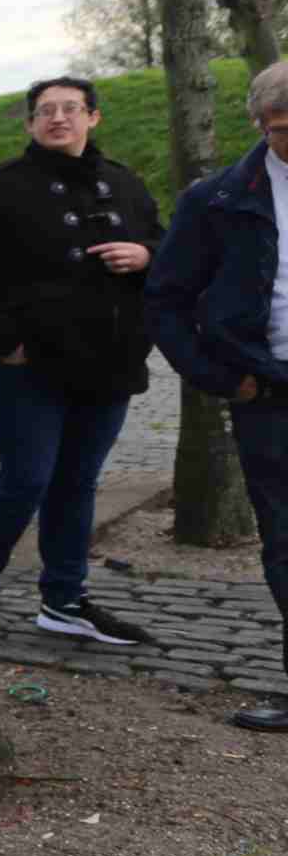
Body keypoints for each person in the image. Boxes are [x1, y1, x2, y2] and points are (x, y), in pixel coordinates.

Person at [0, 76, 162, 646]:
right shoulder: (1, 187)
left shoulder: (124, 182)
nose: (58, 118)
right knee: (26, 479)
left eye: (70, 108)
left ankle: (64, 599)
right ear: (30, 123)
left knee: (78, 482)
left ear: (93, 117)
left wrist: (146, 254)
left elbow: (164, 244)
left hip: (109, 361)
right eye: (45, 110)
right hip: (28, 367)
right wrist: (3, 344)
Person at [147, 61, 288, 728]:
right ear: (260, 125)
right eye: (285, 129)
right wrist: (222, 378)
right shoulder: (217, 200)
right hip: (271, 395)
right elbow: (166, 301)